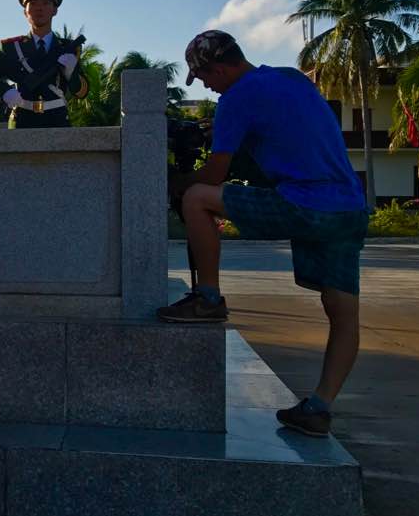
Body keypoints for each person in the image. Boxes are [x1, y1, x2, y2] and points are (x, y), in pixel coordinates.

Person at [158, 30, 369, 438]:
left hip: (304, 203)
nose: (206, 87)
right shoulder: (291, 78)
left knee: (198, 198)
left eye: (204, 78)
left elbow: (215, 174)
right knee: (343, 315)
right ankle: (319, 408)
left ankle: (208, 297)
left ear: (219, 68)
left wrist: (176, 184)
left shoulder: (236, 98)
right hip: (349, 209)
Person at [0, 0, 89, 128]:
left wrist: (71, 73)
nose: (39, 8)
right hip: (22, 119)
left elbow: (82, 92)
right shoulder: (11, 47)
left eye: (46, 3)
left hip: (58, 120)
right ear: (25, 11)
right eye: (32, 3)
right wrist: (5, 92)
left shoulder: (68, 48)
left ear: (55, 10)